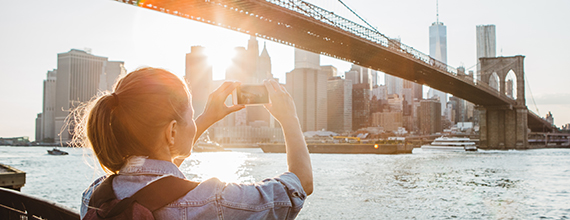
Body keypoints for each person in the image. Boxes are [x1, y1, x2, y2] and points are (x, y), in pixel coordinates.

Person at [78, 67, 313, 219]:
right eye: (190, 117)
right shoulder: (213, 200)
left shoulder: (95, 196)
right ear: (172, 131)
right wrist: (289, 119)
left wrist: (205, 118)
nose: (194, 122)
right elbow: (299, 185)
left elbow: (158, 180)